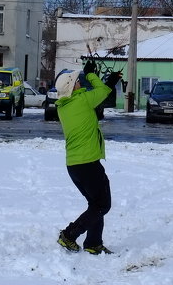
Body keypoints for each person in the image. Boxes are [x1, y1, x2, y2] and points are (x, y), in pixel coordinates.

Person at [55, 61, 121, 255]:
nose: (80, 82)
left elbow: (100, 92)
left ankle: (93, 243)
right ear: (72, 87)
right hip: (87, 164)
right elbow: (102, 91)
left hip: (75, 166)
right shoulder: (82, 100)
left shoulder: (64, 106)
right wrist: (92, 75)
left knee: (95, 205)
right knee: (102, 205)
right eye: (78, 81)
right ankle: (69, 235)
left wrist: (106, 81)